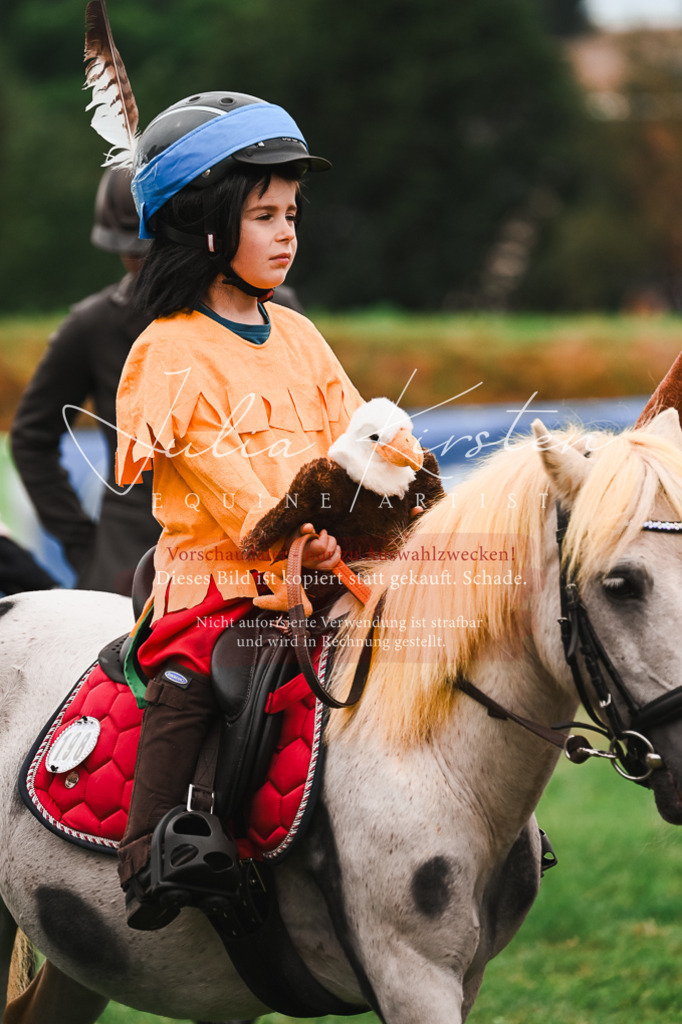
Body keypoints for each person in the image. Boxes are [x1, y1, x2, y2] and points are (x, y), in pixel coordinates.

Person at [114, 90, 365, 929]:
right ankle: (153, 850)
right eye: (265, 214)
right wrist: (305, 539)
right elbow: (233, 492)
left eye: (292, 212)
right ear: (206, 224)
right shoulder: (168, 349)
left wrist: (392, 494)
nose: (288, 231)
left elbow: (357, 438)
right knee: (192, 680)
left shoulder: (299, 335)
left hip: (329, 570)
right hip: (216, 590)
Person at [10, 168, 160, 595]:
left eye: (154, 251)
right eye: (130, 253)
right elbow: (31, 438)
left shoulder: (276, 312)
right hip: (128, 562)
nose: (143, 265)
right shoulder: (92, 325)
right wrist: (83, 546)